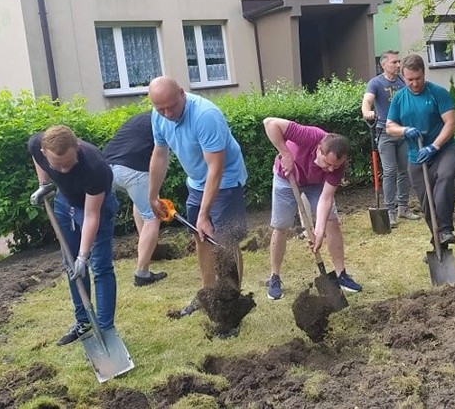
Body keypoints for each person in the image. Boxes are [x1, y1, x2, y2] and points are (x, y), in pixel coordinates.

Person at [147, 76, 248, 319]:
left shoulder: (205, 116)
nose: (167, 113)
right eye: (161, 109)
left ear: (182, 93)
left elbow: (216, 168)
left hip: (225, 181)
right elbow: (160, 155)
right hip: (197, 184)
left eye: (171, 106)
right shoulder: (158, 116)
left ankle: (230, 304)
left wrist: (204, 215)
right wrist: (152, 196)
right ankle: (208, 294)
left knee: (224, 242)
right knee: (200, 237)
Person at [28, 125, 119, 346]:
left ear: (77, 147)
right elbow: (36, 158)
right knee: (71, 266)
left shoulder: (95, 167)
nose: (65, 170)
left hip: (95, 207)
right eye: (57, 165)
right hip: (64, 203)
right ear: (44, 152)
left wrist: (83, 255)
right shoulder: (36, 145)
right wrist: (44, 185)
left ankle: (106, 329)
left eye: (69, 163)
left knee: (99, 267)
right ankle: (84, 322)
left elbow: (91, 216)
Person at [263, 117, 362, 300]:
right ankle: (275, 277)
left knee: (331, 221)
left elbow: (326, 198)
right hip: (287, 178)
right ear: (318, 150)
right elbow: (269, 123)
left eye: (336, 166)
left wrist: (318, 230)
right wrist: (285, 154)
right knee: (281, 226)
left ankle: (341, 274)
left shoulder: (337, 167)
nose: (331, 169)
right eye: (328, 163)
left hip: (316, 184)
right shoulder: (310, 135)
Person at [385, 54, 455, 247]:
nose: (415, 83)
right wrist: (404, 130)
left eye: (418, 78)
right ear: (403, 77)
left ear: (423, 74)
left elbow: (451, 123)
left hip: (443, 151)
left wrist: (434, 146)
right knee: (427, 203)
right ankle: (439, 242)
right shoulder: (400, 98)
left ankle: (445, 229)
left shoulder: (438, 93)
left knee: (445, 178)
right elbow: (389, 126)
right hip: (416, 156)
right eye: (410, 80)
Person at [103, 110, 167, 287]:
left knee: (141, 207)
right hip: (133, 170)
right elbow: (162, 155)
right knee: (153, 216)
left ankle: (147, 250)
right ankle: (142, 273)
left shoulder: (142, 118)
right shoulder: (166, 120)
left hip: (108, 169)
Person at [361, 50, 420, 226]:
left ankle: (403, 208)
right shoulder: (376, 83)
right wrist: (367, 112)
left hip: (402, 132)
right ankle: (389, 210)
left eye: (399, 62)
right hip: (384, 133)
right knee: (390, 171)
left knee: (405, 170)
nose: (398, 65)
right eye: (394, 62)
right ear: (383, 64)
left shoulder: (403, 82)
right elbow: (367, 100)